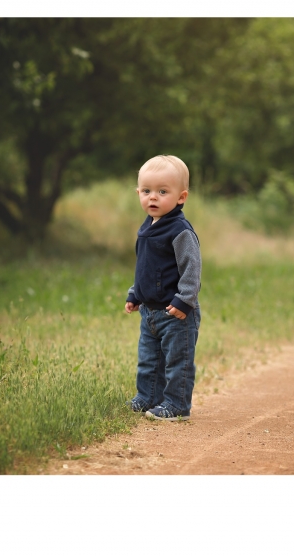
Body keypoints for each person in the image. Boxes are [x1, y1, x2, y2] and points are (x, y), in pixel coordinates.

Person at [124, 154, 201, 421]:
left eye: (162, 191)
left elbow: (192, 268)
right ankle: (148, 397)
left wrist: (185, 301)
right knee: (148, 360)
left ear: (181, 197)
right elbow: (145, 267)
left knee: (177, 362)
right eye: (146, 191)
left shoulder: (179, 231)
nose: (152, 197)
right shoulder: (147, 227)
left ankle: (177, 405)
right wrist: (135, 294)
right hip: (150, 312)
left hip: (176, 312)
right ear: (138, 193)